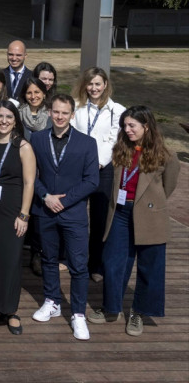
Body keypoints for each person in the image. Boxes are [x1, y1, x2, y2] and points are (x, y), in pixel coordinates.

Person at [89, 106, 179, 336]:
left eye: (132, 126)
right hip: (120, 213)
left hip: (149, 216)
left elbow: (168, 186)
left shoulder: (165, 155)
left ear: (146, 127)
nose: (127, 130)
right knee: (112, 261)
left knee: (150, 268)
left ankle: (138, 312)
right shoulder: (122, 149)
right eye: (125, 126)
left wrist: (151, 204)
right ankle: (111, 307)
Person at [31, 93, 100, 340]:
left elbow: (92, 180)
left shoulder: (87, 143)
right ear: (50, 112)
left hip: (73, 213)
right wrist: (45, 196)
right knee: (48, 259)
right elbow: (31, 176)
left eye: (65, 113)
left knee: (79, 265)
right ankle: (52, 301)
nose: (59, 116)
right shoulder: (37, 139)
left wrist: (65, 200)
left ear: (72, 115)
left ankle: (78, 313)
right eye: (56, 112)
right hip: (45, 210)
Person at [0, 102, 36, 336]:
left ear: (15, 120)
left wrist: (24, 214)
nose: (3, 120)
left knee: (10, 261)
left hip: (12, 212)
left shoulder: (23, 146)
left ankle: (11, 310)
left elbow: (30, 183)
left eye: (8, 116)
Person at [71, 67, 126, 281]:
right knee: (74, 216)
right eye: (90, 83)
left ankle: (96, 264)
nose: (94, 88)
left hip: (103, 169)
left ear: (105, 85)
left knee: (100, 217)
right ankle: (69, 258)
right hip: (77, 168)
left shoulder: (117, 110)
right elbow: (73, 132)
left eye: (98, 84)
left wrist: (98, 163)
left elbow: (113, 140)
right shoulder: (77, 107)